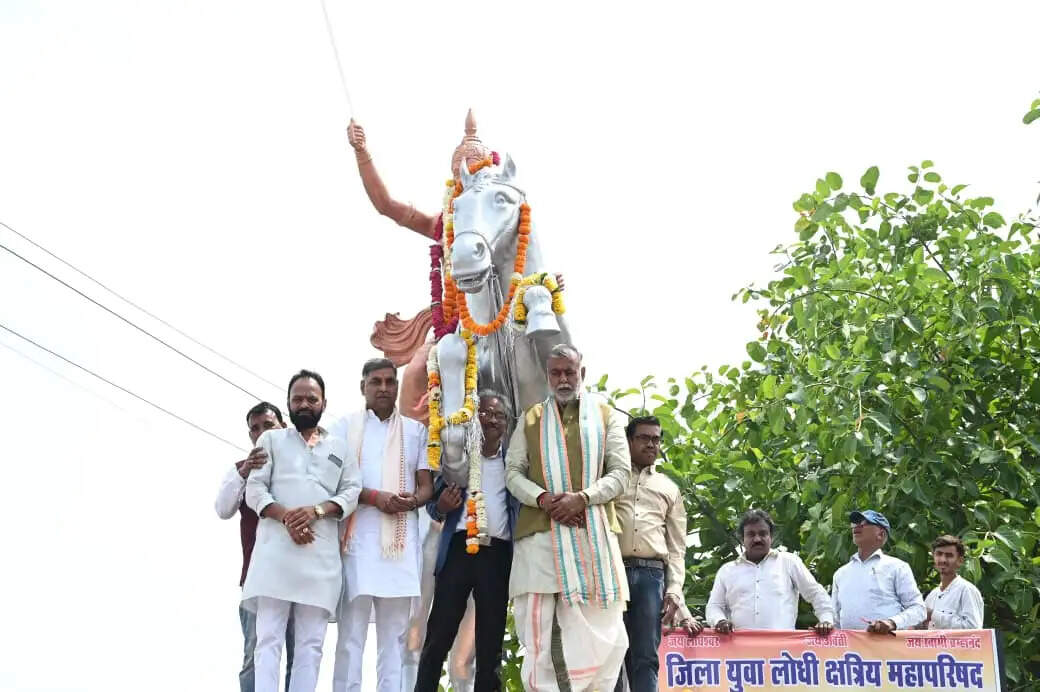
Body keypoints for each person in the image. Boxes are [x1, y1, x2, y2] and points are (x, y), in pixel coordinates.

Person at [506, 344, 631, 692]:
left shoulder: (605, 416)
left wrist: (582, 499)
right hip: (541, 541)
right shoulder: (530, 418)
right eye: (556, 373)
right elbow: (512, 472)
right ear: (547, 376)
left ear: (582, 373)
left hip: (594, 540)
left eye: (569, 372)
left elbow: (621, 473)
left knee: (608, 634)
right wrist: (544, 499)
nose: (563, 379)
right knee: (540, 632)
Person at [241, 370, 362, 692]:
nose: (304, 404)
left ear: (324, 403)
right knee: (268, 639)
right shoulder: (271, 440)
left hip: (320, 558)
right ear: (288, 403)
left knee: (311, 644)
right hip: (274, 554)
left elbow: (352, 491)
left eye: (312, 398)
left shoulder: (340, 447)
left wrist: (316, 511)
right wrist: (287, 518)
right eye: (298, 399)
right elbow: (255, 489)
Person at [330, 358, 433, 692]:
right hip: (356, 545)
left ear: (398, 386)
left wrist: (411, 501)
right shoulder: (343, 428)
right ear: (363, 387)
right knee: (350, 637)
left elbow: (426, 486)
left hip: (399, 549)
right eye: (376, 382)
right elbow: (333, 481)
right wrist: (375, 498)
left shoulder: (416, 431)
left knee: (394, 641)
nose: (384, 388)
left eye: (390, 382)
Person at [415, 390, 519, 692]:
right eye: (485, 413)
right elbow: (433, 505)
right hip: (459, 551)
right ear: (473, 419)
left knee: (490, 642)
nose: (492, 420)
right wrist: (442, 507)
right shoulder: (456, 459)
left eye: (499, 416)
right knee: (439, 635)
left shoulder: (513, 463)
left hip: (497, 554)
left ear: (506, 424)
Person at [614, 415, 701, 692]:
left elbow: (677, 548)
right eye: (644, 438)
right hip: (612, 571)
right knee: (609, 653)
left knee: (645, 656)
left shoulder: (669, 488)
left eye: (656, 439)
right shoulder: (611, 480)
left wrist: (674, 590)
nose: (651, 444)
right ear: (629, 441)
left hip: (651, 576)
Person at [214, 402, 294, 691]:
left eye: (268, 426)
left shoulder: (301, 468)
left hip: (298, 578)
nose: (262, 433)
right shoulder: (241, 470)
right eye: (255, 429)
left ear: (283, 427)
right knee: (255, 656)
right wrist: (245, 471)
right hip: (257, 580)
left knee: (299, 656)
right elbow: (223, 508)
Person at [706, 509, 834, 635]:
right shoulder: (727, 571)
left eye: (763, 533)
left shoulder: (788, 562)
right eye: (751, 534)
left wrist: (826, 620)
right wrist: (720, 621)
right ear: (742, 538)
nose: (757, 539)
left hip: (782, 646)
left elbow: (815, 593)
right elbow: (714, 606)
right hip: (740, 647)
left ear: (771, 536)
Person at [831, 510, 926, 633]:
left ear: (880, 534)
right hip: (850, 645)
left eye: (864, 523)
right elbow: (835, 618)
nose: (857, 526)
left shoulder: (897, 567)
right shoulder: (840, 573)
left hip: (886, 644)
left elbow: (918, 609)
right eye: (855, 523)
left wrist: (892, 623)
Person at [923, 535, 984, 629]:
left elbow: (973, 628)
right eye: (939, 554)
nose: (943, 560)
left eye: (949, 555)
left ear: (960, 561)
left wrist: (933, 615)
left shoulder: (967, 590)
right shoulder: (932, 596)